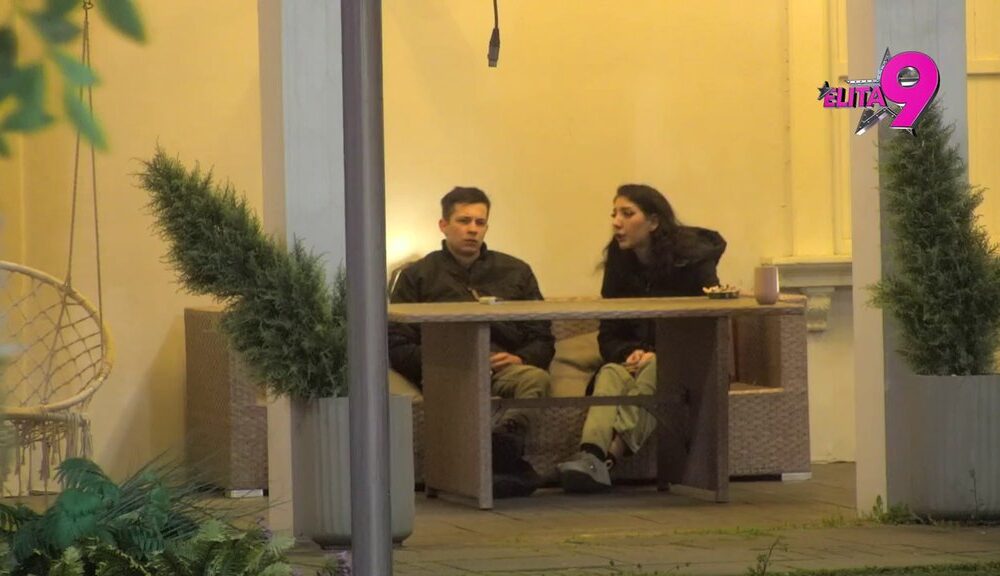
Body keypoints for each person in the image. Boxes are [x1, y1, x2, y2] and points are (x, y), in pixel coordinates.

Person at [557, 184, 726, 493]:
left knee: (657, 369)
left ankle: (609, 456)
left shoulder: (692, 261)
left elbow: (705, 327)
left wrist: (658, 353)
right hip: (636, 360)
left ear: (653, 222)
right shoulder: (618, 263)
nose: (616, 222)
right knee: (610, 372)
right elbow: (609, 332)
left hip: (688, 363)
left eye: (627, 214)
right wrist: (629, 352)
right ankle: (591, 454)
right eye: (614, 214)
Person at [388, 186, 555, 498]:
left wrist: (521, 358)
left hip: (504, 367)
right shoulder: (418, 276)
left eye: (480, 222)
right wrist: (443, 362)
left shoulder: (516, 271)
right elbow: (396, 342)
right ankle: (502, 464)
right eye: (464, 221)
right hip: (447, 368)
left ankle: (502, 443)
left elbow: (543, 336)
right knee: (458, 387)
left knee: (536, 379)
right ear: (443, 225)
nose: (473, 229)